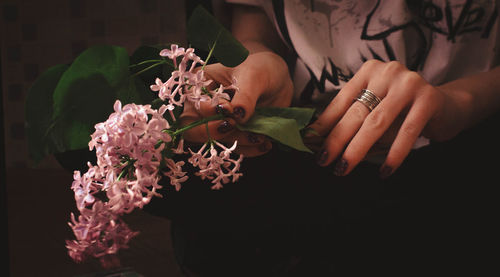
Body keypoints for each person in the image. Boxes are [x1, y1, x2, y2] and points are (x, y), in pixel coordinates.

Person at [147, 1, 500, 275]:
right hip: (289, 173)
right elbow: (255, 24)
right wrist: (259, 61)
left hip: (466, 172)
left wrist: (461, 102)